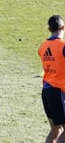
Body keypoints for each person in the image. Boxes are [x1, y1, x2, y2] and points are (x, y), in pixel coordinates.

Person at [38, 15, 65, 143]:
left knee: (55, 130)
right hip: (59, 92)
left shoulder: (42, 47)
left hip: (46, 91)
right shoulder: (63, 45)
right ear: (63, 28)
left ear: (49, 29)